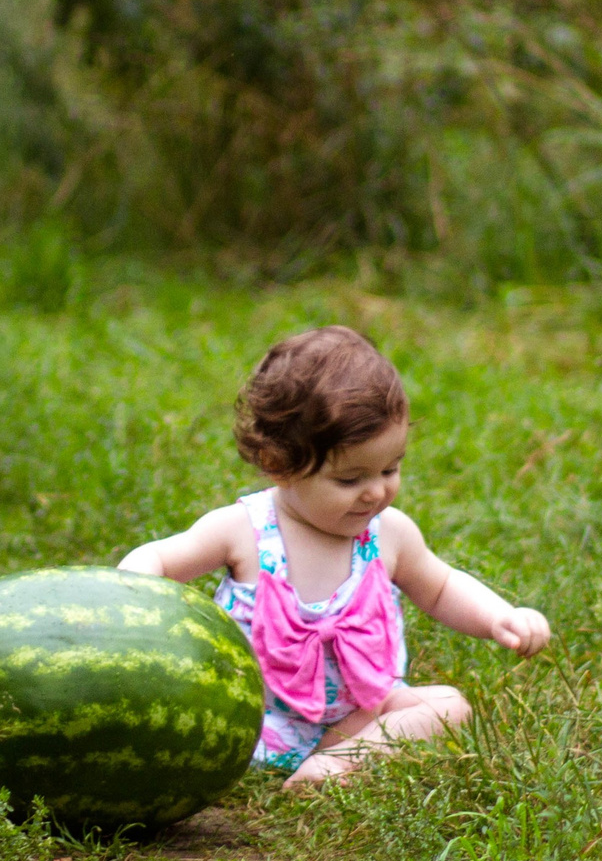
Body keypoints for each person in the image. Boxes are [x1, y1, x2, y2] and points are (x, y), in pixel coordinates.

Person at [118, 325, 551, 785]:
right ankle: (315, 761)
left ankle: (339, 761)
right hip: (253, 721)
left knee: (449, 707)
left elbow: (442, 588)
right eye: (350, 480)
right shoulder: (244, 530)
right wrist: (130, 596)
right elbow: (160, 560)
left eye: (391, 468)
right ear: (278, 465)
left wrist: (500, 616)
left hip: (360, 715)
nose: (376, 491)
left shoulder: (389, 535)